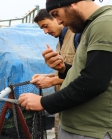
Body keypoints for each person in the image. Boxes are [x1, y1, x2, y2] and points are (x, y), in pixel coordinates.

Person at [18, 0, 112, 138]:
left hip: (95, 131)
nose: (58, 22)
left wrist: (43, 102)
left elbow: (93, 82)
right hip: (80, 130)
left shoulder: (108, 23)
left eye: (56, 13)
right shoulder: (93, 26)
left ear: (73, 3)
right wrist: (63, 69)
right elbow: (93, 72)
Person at [32, 9, 80, 139]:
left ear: (57, 18)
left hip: (79, 114)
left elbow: (87, 77)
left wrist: (53, 81)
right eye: (42, 28)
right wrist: (46, 77)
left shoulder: (77, 36)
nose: (45, 32)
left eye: (46, 26)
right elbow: (69, 71)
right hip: (64, 108)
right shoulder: (61, 40)